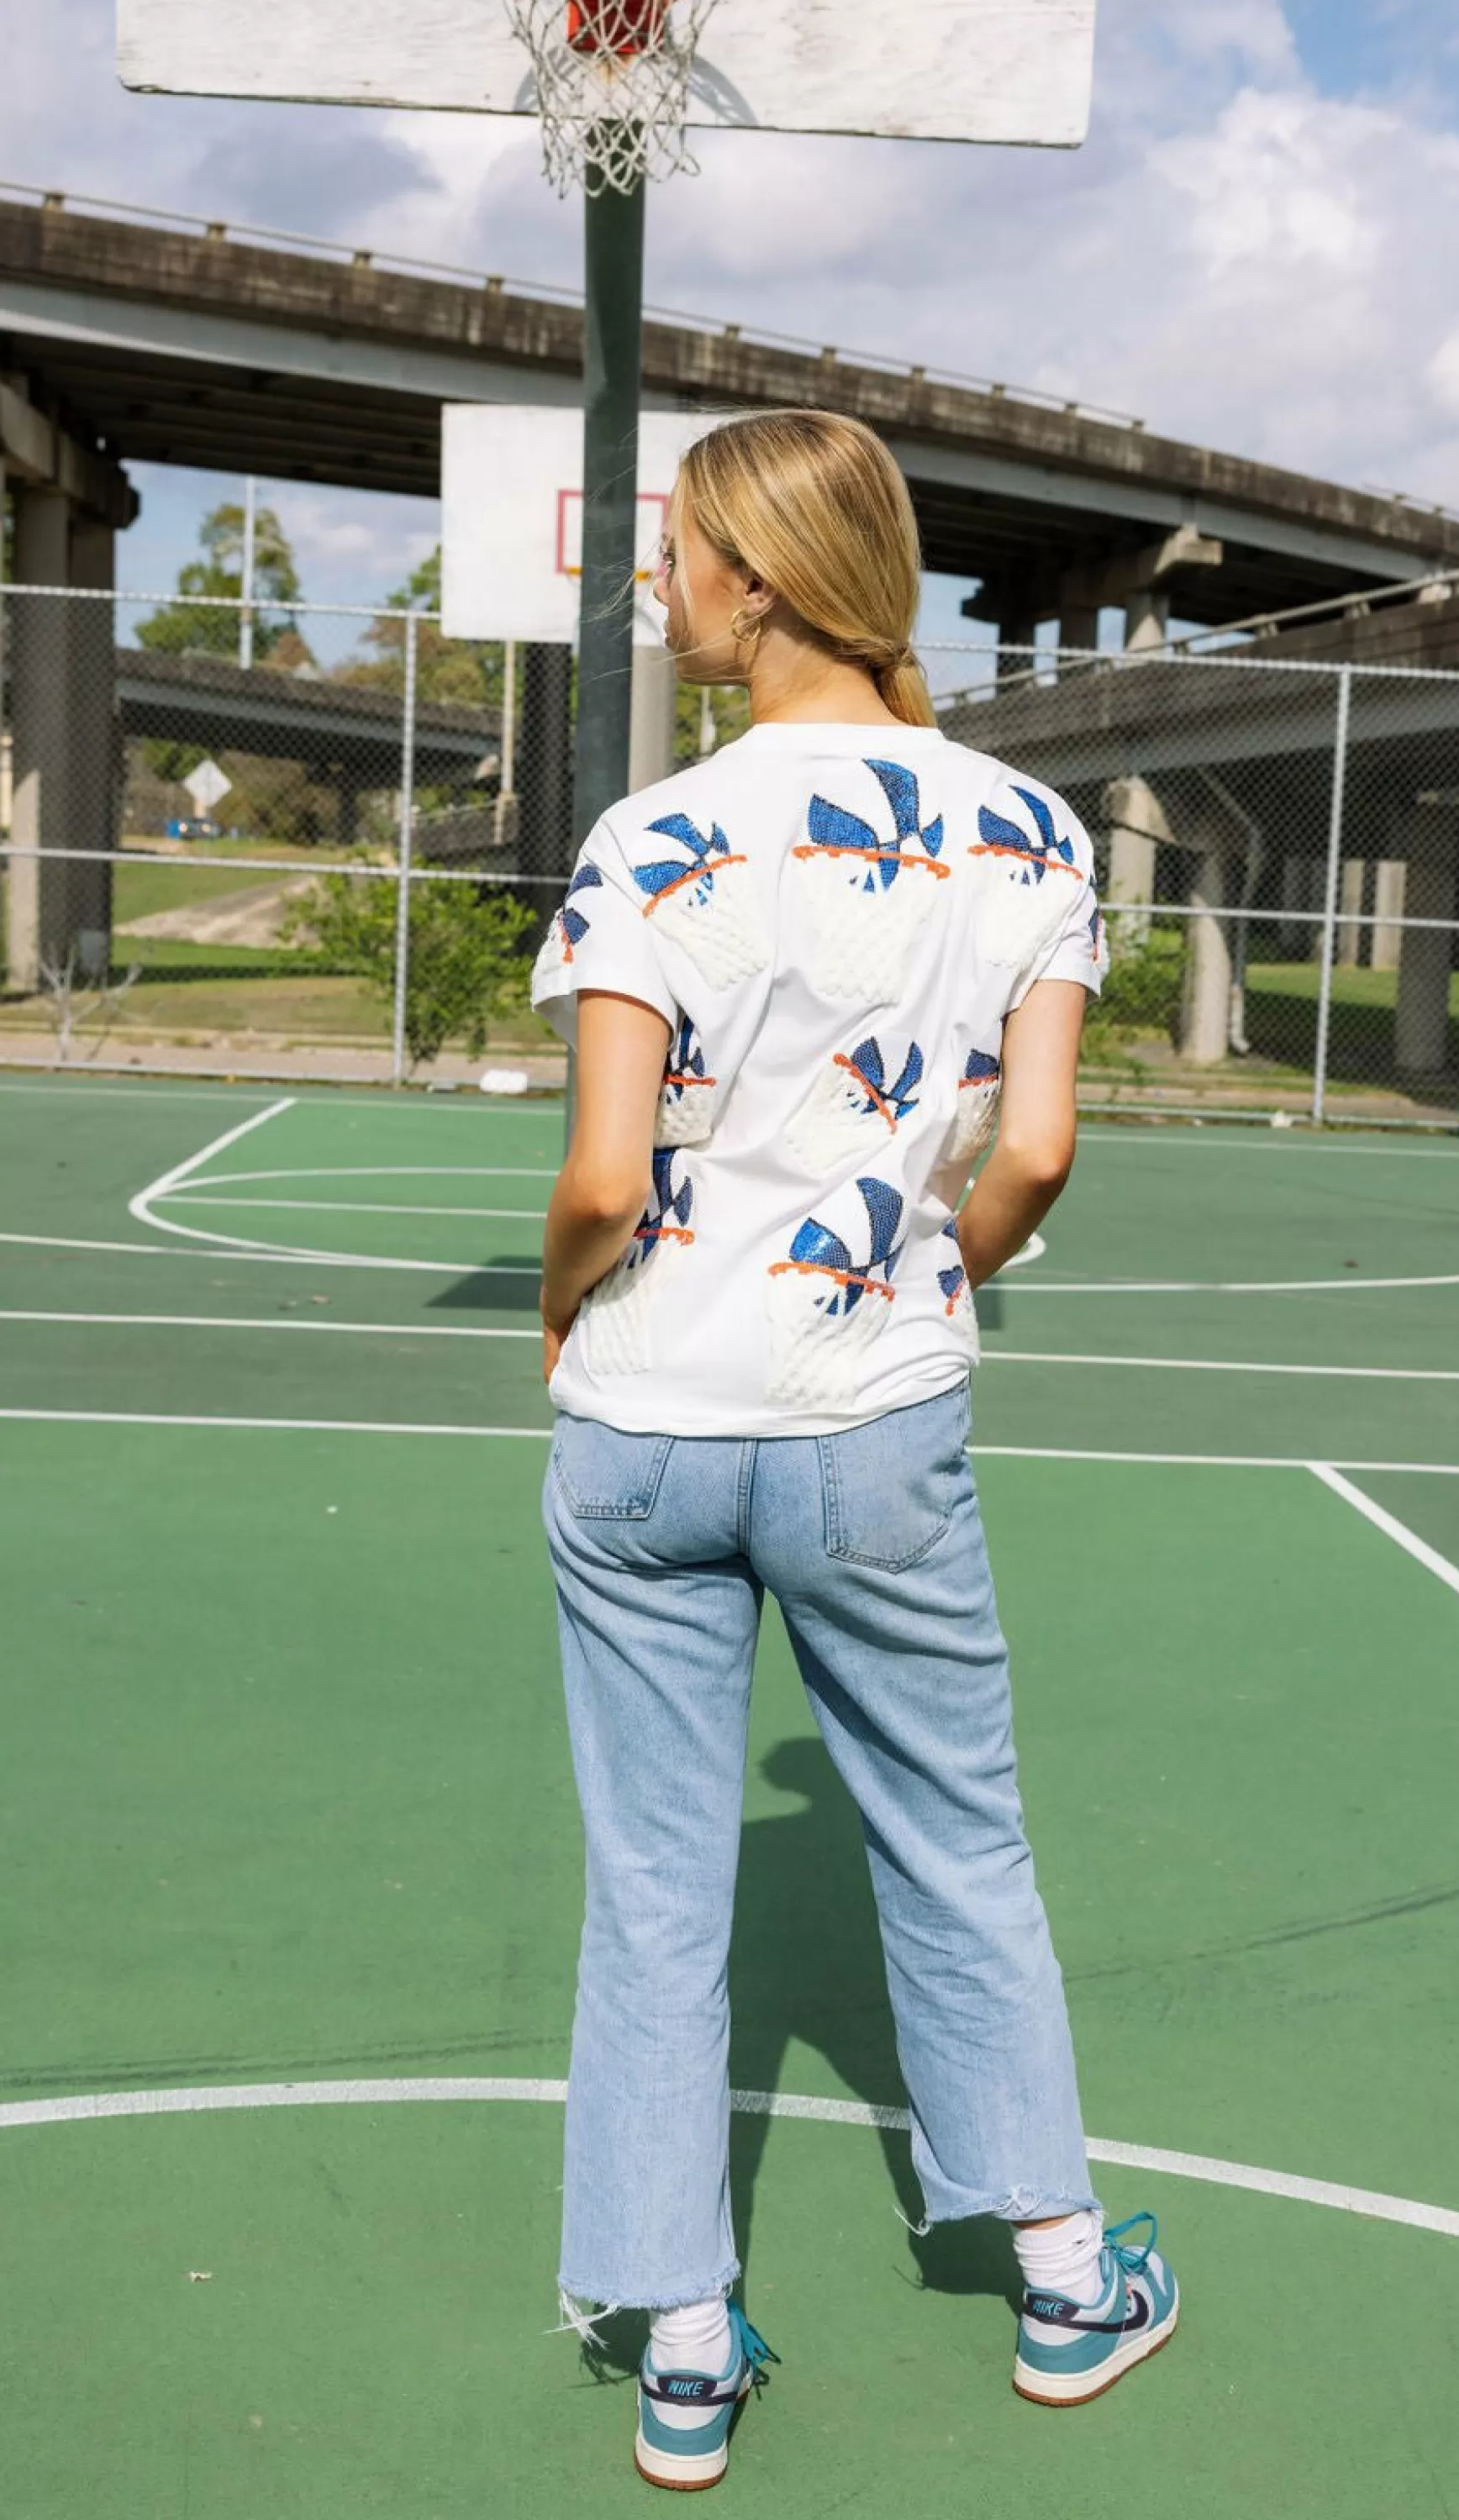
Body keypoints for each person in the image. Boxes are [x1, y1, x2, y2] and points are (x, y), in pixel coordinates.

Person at [532, 408, 1178, 2493]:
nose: (667, 582)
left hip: (645, 1428)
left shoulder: (652, 835)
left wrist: (562, 1311)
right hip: (871, 1421)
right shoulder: (1029, 836)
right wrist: (938, 1270)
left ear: (770, 582)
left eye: (688, 552)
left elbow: (603, 1175)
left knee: (652, 1888)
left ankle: (684, 2340)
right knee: (960, 1840)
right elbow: (1044, 1143)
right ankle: (1069, 2273)